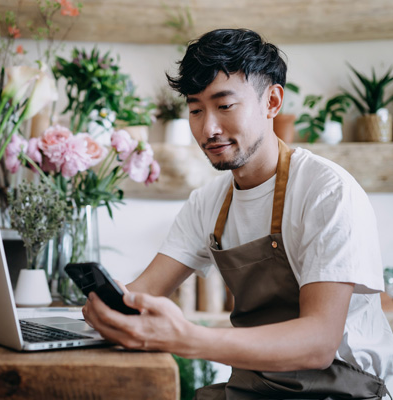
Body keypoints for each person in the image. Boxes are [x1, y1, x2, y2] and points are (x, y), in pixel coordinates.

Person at [83, 28, 393, 399]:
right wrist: (101, 310)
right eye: (196, 110)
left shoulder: (326, 191)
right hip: (257, 386)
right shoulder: (209, 203)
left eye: (225, 106)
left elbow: (318, 343)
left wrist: (188, 338)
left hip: (342, 388)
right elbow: (141, 292)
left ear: (272, 102)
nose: (208, 128)